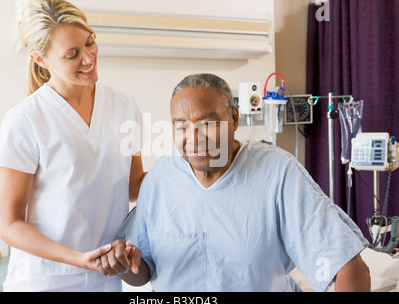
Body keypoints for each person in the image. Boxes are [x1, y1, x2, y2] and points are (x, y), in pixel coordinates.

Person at [96, 73, 371, 292]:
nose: (194, 138)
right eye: (181, 126)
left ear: (235, 118)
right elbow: (142, 271)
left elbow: (349, 266)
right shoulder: (161, 179)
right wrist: (124, 264)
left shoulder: (277, 173)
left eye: (207, 123)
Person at [0, 0, 145, 292]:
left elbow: (133, 184)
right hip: (44, 281)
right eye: (72, 54)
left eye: (90, 43)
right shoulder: (25, 119)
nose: (88, 58)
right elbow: (8, 224)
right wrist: (80, 259)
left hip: (107, 278)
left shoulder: (124, 105)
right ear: (41, 59)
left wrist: (190, 170)